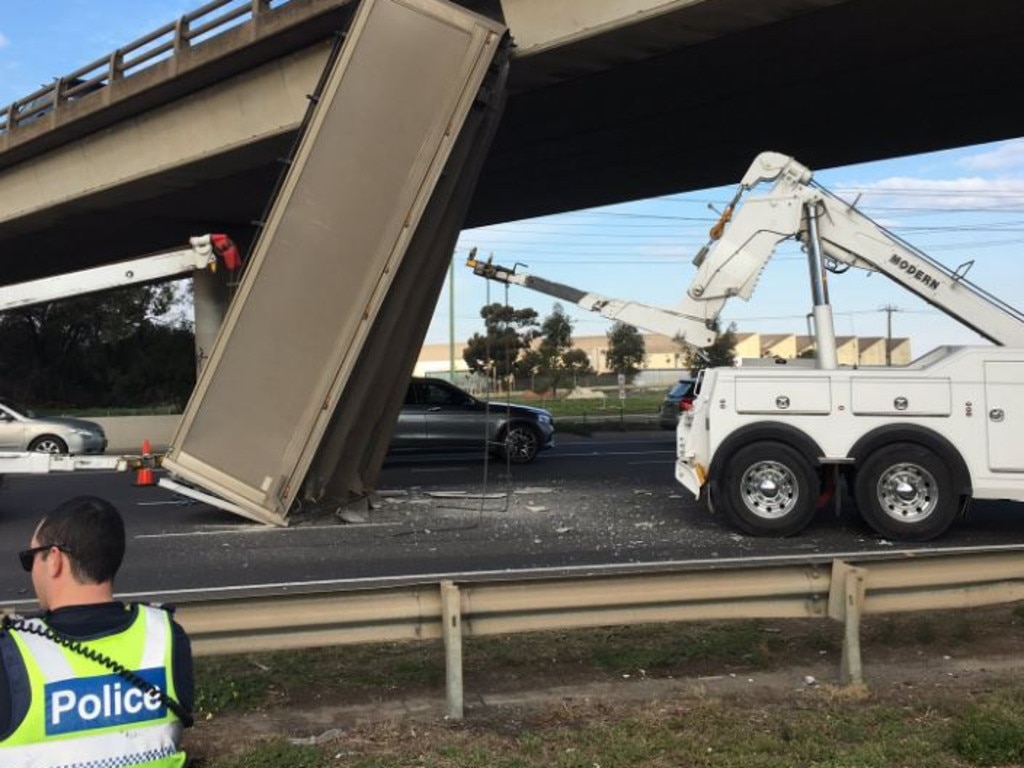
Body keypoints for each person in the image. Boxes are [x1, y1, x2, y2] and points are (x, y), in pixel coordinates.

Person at [0, 495, 193, 766]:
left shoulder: (11, 654)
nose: (31, 572)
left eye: (30, 559)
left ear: (54, 560)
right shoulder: (167, 638)